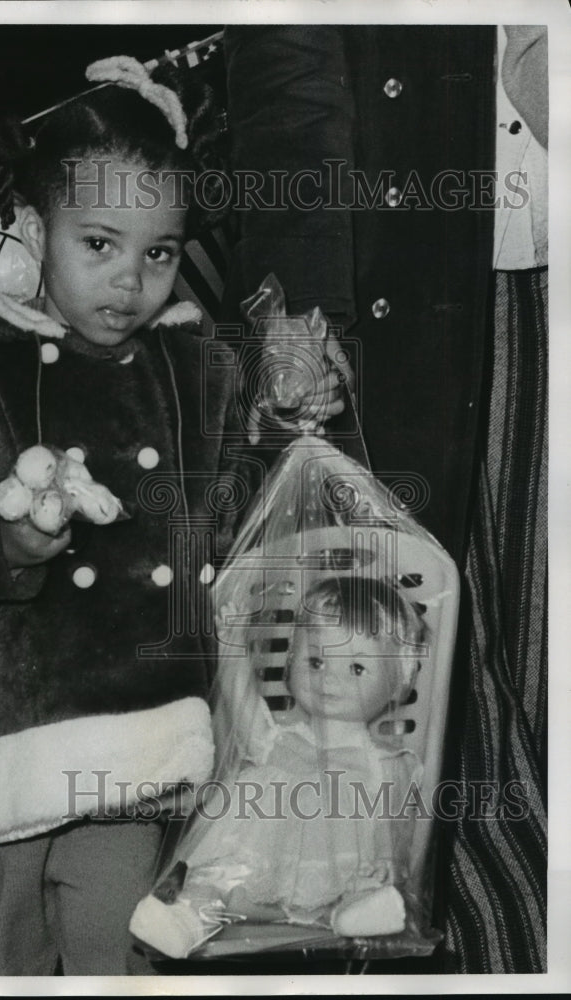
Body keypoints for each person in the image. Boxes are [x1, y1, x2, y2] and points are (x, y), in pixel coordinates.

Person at [0, 52, 343, 976]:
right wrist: (2, 541)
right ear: (34, 233)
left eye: (156, 252)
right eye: (99, 243)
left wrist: (285, 426)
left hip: (138, 723)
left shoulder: (188, 364)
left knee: (117, 946)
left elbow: (226, 501)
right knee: (5, 954)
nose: (131, 280)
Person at [221, 24, 547, 974]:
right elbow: (288, 66)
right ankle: (503, 942)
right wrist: (298, 306)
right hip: (421, 288)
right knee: (437, 659)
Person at [129, 577, 426, 959]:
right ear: (291, 661)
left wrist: (388, 865)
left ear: (396, 682)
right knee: (214, 878)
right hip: (256, 868)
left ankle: (354, 911)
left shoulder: (382, 760)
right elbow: (244, 706)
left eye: (355, 668)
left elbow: (394, 823)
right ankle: (187, 921)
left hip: (334, 872)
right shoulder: (281, 738)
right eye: (315, 661)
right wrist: (234, 644)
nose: (328, 678)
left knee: (363, 881)